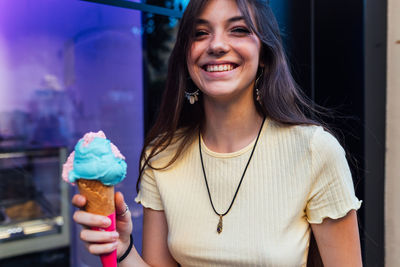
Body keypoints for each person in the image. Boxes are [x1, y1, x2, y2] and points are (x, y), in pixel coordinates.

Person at [72, 0, 363, 266]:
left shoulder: (315, 151)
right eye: (200, 33)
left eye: (238, 30)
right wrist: (123, 248)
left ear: (264, 54)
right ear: (186, 55)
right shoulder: (162, 155)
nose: (217, 45)